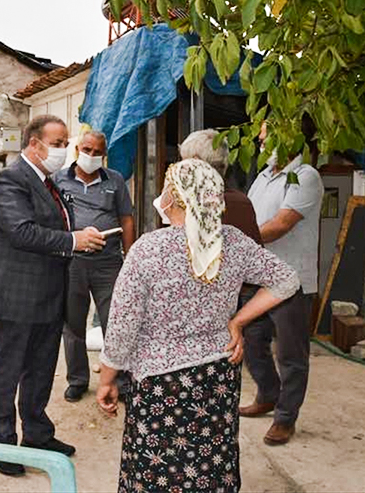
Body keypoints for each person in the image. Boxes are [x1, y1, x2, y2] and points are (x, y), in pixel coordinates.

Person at [97, 159, 299, 493]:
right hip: (217, 376)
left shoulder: (148, 249)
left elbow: (122, 325)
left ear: (174, 198)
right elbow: (286, 280)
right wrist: (238, 320)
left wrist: (107, 378)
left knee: (158, 469)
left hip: (161, 382)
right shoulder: (233, 242)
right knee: (211, 464)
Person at [0, 114, 107, 477]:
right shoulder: (10, 180)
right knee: (7, 371)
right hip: (16, 296)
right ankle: (1, 443)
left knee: (40, 370)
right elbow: (23, 232)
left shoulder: (48, 183)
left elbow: (53, 228)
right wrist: (73, 241)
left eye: (65, 143)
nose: (63, 150)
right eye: (57, 143)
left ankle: (36, 434)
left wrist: (80, 236)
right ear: (33, 145)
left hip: (49, 295)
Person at [242, 119, 324, 446]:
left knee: (290, 354)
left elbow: (281, 224)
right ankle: (268, 394)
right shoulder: (263, 177)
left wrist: (236, 238)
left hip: (292, 280)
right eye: (260, 140)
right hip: (258, 277)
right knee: (250, 341)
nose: (261, 145)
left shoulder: (304, 176)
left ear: (289, 138)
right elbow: (250, 217)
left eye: (266, 139)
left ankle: (285, 418)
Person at [53, 130, 135, 403]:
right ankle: (77, 380)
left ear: (104, 155)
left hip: (108, 263)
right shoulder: (58, 180)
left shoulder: (116, 181)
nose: (90, 156)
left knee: (116, 323)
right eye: (86, 149)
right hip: (72, 261)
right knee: (73, 324)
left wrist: (130, 257)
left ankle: (120, 382)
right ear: (77, 150)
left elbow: (126, 219)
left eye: (97, 152)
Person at [179, 130, 261, 245]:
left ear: (196, 162)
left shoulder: (192, 203)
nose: (180, 168)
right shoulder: (241, 202)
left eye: (183, 161)